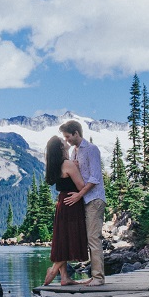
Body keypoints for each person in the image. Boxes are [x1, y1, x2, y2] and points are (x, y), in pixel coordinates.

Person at [59, 119, 107, 286]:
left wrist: (79, 195)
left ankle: (99, 278)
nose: (66, 140)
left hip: (94, 199)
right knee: (88, 238)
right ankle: (95, 276)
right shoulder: (74, 152)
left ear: (76, 133)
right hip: (84, 200)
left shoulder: (91, 149)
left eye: (67, 137)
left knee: (94, 238)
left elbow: (95, 178)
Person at [42, 135, 88, 286]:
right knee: (70, 240)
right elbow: (81, 186)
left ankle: (65, 278)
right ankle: (54, 270)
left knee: (62, 239)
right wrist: (78, 169)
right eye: (62, 141)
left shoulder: (56, 165)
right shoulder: (68, 164)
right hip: (72, 203)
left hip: (62, 203)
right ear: (61, 147)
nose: (65, 140)